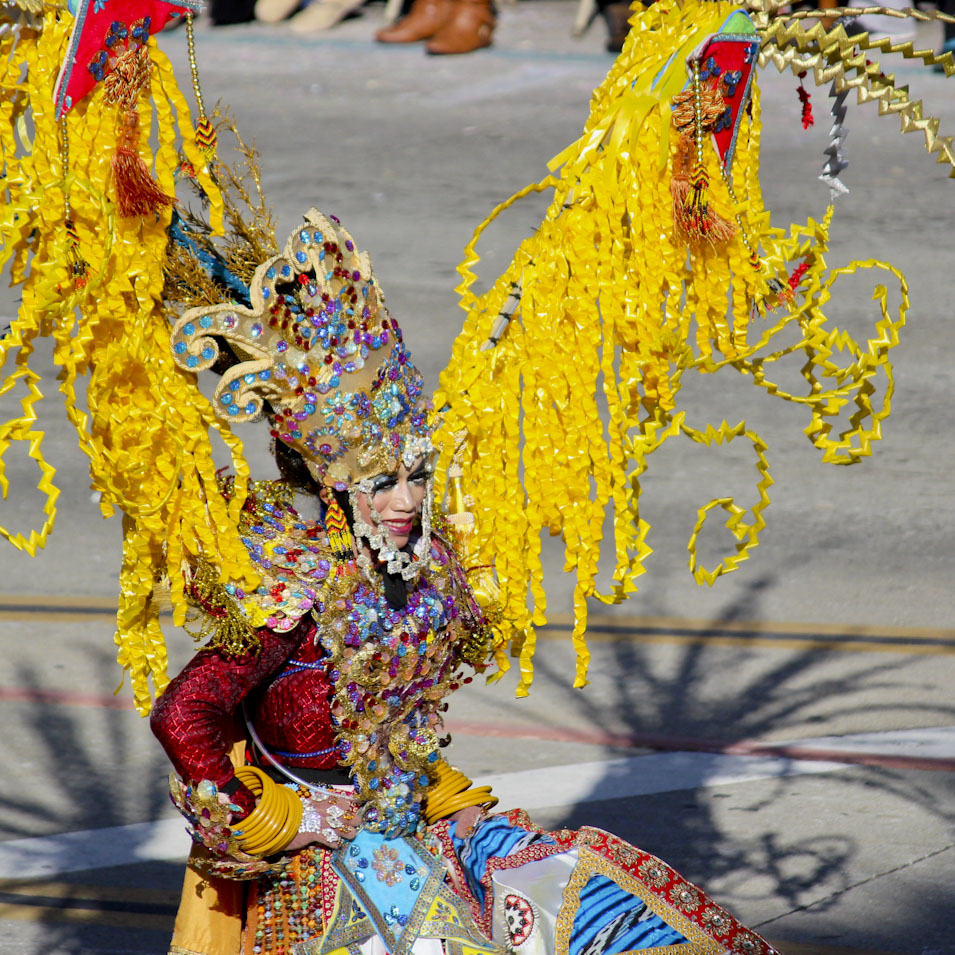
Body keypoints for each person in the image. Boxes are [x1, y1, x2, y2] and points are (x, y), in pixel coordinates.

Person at [150, 206, 782, 955]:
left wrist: (445, 801)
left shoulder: (422, 570)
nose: (407, 501)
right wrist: (285, 819)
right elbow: (184, 713)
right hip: (326, 866)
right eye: (382, 482)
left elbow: (395, 731)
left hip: (420, 827)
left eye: (417, 476)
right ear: (334, 486)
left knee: (608, 910)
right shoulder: (294, 587)